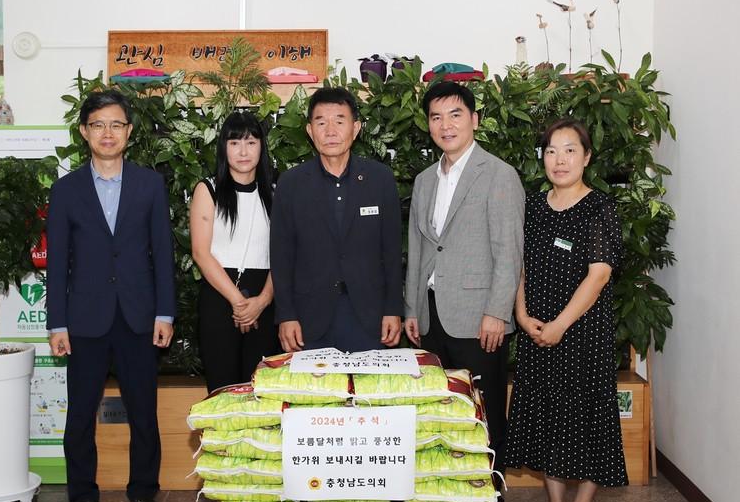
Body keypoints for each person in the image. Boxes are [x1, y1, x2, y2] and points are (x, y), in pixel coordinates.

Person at [46, 89, 176, 502]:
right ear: (84, 132)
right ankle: (82, 499)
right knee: (80, 416)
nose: (107, 133)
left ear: (129, 132)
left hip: (139, 317)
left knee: (144, 414)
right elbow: (58, 262)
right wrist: (57, 323)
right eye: (98, 124)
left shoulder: (149, 185)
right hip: (85, 320)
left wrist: (165, 313)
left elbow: (162, 252)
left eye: (116, 124)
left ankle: (143, 495)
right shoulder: (66, 190)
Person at [505, 117, 628, 502]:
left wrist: (560, 325)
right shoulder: (533, 206)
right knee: (546, 416)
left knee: (586, 416)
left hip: (582, 334)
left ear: (586, 157)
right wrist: (522, 316)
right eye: (552, 151)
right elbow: (520, 266)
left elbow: (599, 275)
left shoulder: (599, 207)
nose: (560, 159)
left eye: (570, 150)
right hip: (537, 332)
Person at [404, 81, 525, 469]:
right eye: (436, 117)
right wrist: (412, 309)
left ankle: (490, 493)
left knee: (483, 413)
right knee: (440, 412)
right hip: (432, 315)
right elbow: (419, 248)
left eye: (455, 115)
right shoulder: (425, 180)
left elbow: (509, 251)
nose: (446, 125)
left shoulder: (499, 174)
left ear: (474, 119)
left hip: (479, 318)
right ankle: (447, 490)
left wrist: (497, 312)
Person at [270, 87, 402, 353]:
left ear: (355, 128)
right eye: (321, 122)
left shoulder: (380, 179)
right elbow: (281, 256)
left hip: (369, 315)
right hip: (309, 318)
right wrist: (286, 314)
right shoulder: (291, 184)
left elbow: (391, 251)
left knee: (367, 382)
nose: (330, 131)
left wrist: (393, 309)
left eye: (339, 121)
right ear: (310, 131)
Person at [190, 111, 278, 391]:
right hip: (220, 296)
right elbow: (201, 253)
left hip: (265, 297)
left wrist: (262, 301)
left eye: (251, 142)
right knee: (222, 390)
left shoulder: (276, 191)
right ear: (223, 148)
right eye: (235, 143)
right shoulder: (208, 189)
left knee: (261, 390)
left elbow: (285, 253)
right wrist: (239, 302)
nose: (243, 151)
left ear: (261, 147)